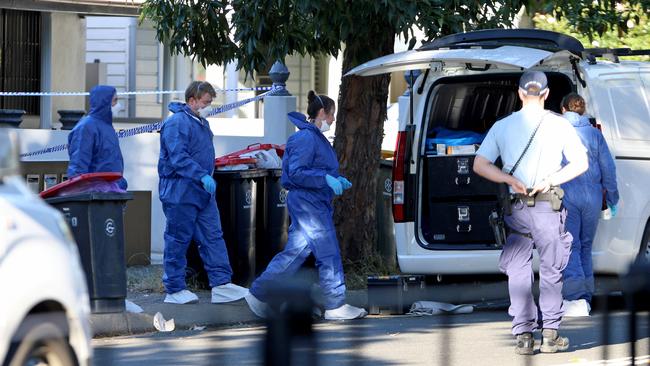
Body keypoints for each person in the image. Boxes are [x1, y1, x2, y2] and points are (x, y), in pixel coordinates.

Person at [473, 71, 588, 355]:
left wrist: (509, 179)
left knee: (519, 271)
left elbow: (480, 164)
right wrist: (552, 180)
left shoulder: (503, 126)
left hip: (517, 206)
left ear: (520, 92)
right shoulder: (560, 125)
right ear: (547, 95)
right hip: (549, 205)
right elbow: (580, 163)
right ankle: (550, 334)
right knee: (551, 269)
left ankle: (524, 335)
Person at [245, 90, 368, 320]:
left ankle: (259, 293)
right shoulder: (306, 138)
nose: (332, 120)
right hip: (309, 203)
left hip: (310, 201)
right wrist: (326, 179)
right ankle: (335, 304)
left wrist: (334, 180)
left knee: (296, 252)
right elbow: (297, 173)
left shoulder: (311, 137)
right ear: (322, 113)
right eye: (331, 115)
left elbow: (307, 170)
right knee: (328, 250)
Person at [158, 81, 248, 304]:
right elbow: (179, 158)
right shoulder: (177, 123)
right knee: (177, 239)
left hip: (201, 191)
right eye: (206, 102)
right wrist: (201, 175)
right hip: (180, 190)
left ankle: (221, 284)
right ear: (192, 101)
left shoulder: (200, 122)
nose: (210, 106)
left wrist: (204, 176)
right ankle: (174, 288)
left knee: (213, 236)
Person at [560, 93, 619, 317]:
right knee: (586, 247)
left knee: (570, 245)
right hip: (593, 197)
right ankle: (586, 297)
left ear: (564, 109)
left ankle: (575, 299)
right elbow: (609, 169)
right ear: (582, 110)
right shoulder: (595, 134)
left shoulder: (558, 132)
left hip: (568, 194)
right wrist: (612, 198)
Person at [67, 85, 127, 189]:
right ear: (104, 102)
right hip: (96, 194)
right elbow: (78, 166)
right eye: (115, 100)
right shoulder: (87, 127)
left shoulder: (107, 127)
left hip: (111, 192)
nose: (118, 105)